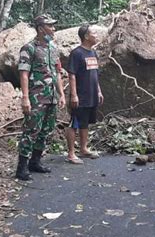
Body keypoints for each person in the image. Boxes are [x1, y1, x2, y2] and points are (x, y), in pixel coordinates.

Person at [15, 14, 66, 181]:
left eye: (53, 26)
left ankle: (35, 162)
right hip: (36, 97)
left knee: (46, 130)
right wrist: (25, 97)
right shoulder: (29, 48)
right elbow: (24, 73)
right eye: (50, 26)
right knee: (31, 130)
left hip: (51, 97)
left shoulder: (53, 48)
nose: (53, 29)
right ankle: (22, 167)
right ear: (40, 28)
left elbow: (58, 73)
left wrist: (61, 94)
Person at [65, 24, 104, 164]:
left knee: (85, 122)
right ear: (86, 36)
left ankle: (83, 148)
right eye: (94, 33)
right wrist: (74, 95)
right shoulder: (77, 53)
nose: (96, 35)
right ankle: (71, 153)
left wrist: (98, 91)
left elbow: (95, 74)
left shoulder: (93, 53)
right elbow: (72, 75)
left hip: (92, 95)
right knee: (74, 123)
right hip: (80, 95)